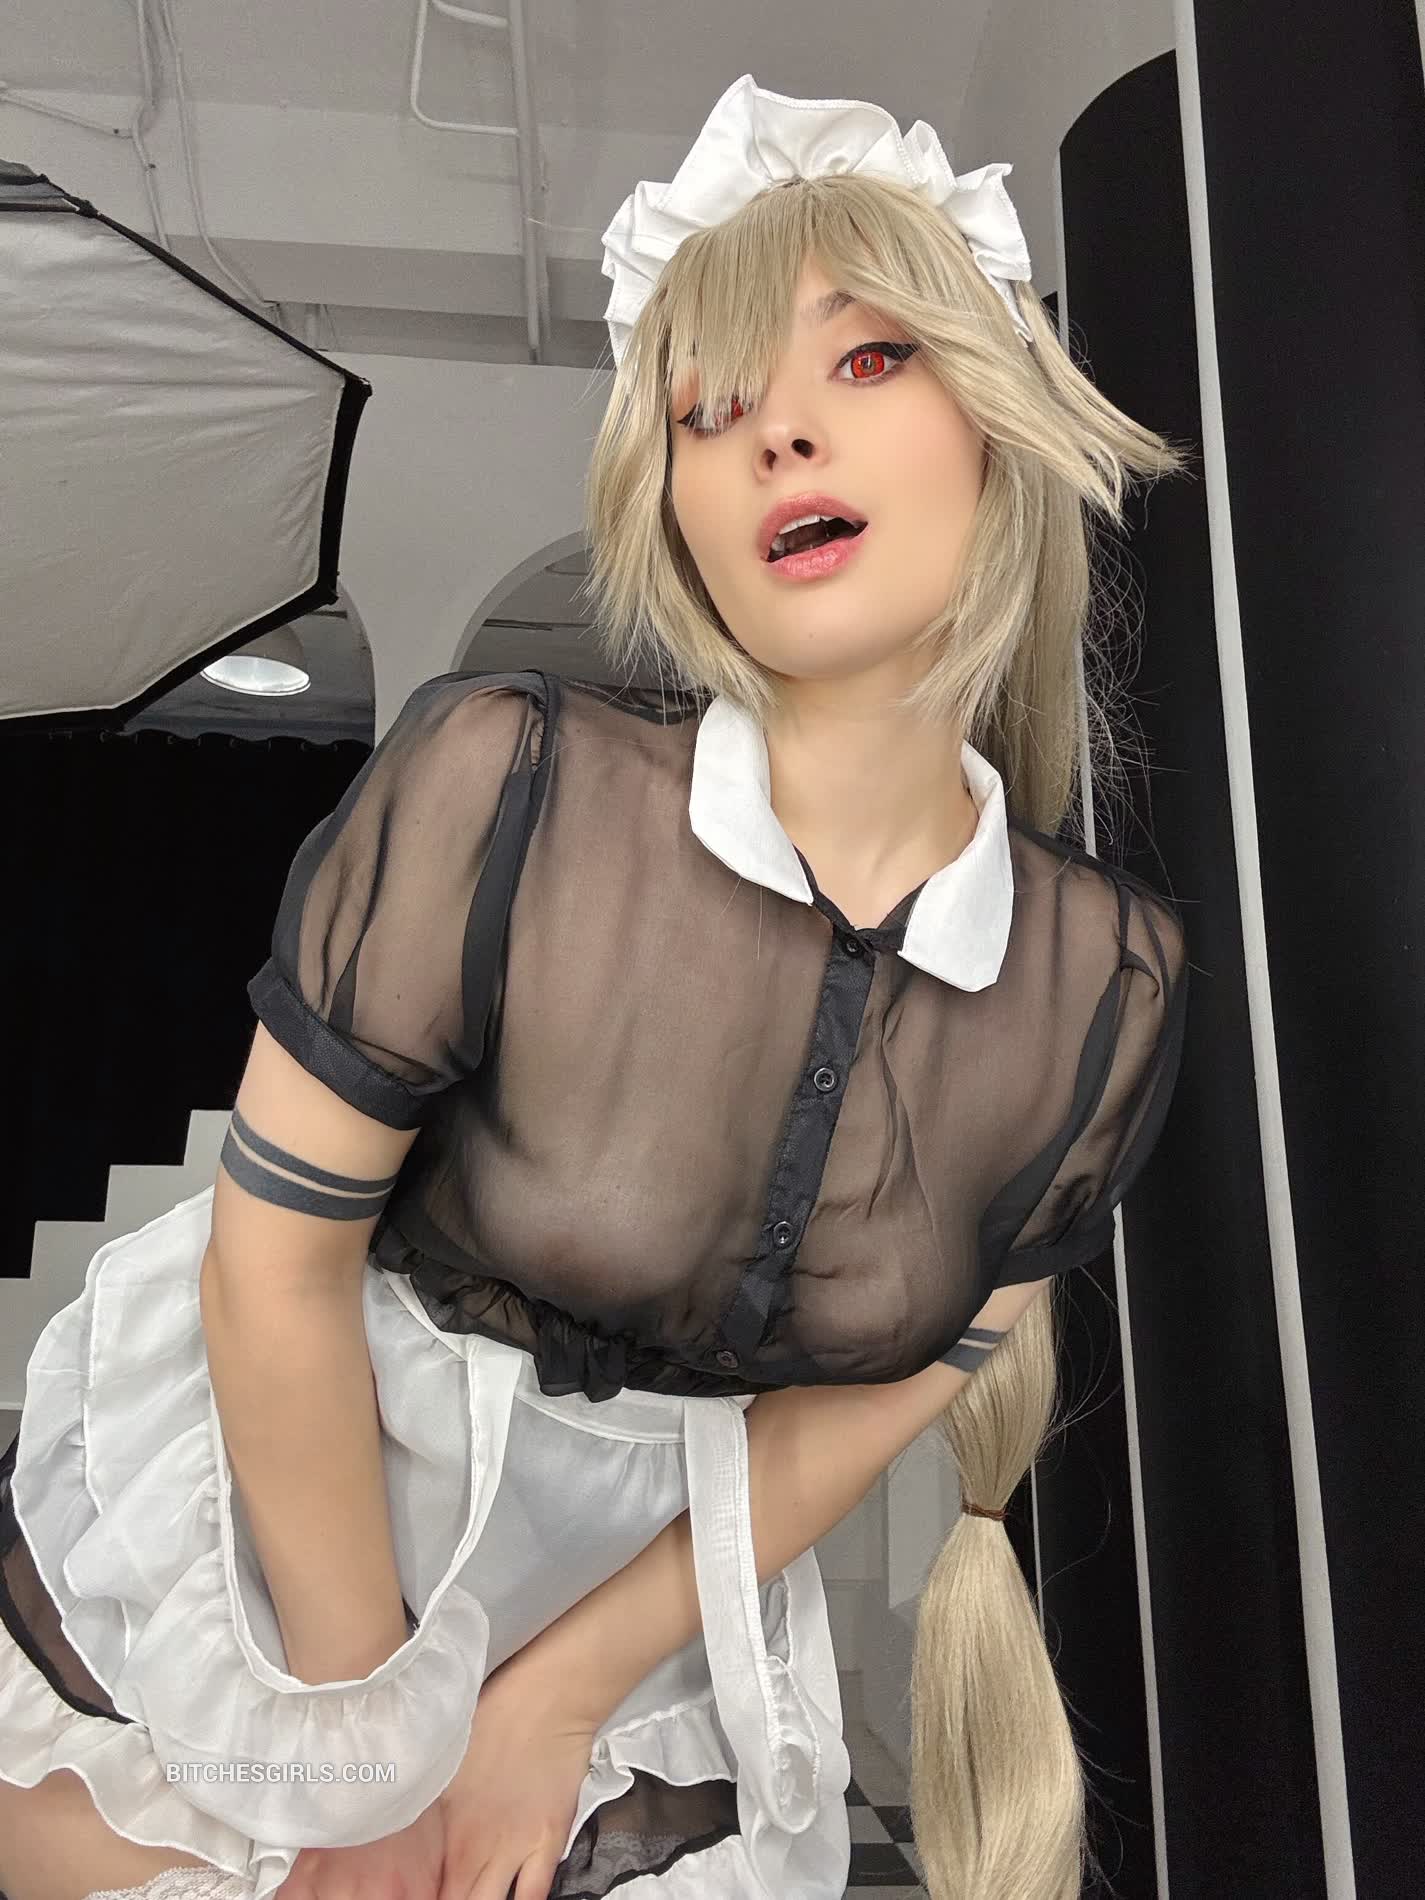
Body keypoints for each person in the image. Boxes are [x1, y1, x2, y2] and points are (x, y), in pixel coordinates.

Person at [0, 73, 1193, 1900]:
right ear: (674, 506)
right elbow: (275, 1263)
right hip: (293, 1560)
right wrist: (366, 1755)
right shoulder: (508, 779)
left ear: (996, 418)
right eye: (710, 407)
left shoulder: (1103, 990)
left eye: (867, 358)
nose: (780, 435)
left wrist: (551, 1699)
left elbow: (865, 1407)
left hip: (636, 1632)